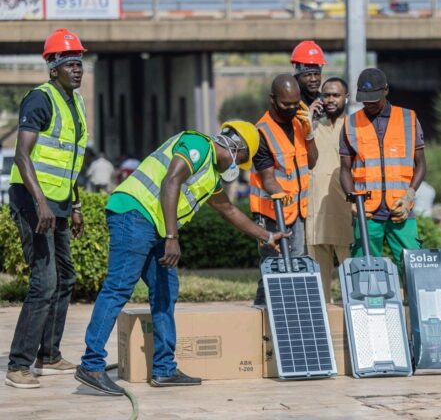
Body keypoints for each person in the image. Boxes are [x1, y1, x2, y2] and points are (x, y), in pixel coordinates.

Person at [76, 122, 288, 395]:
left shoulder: (211, 177)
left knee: (166, 290)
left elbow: (229, 211)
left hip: (156, 227)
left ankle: (164, 369)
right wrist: (173, 238)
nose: (238, 169)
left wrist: (266, 236)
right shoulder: (198, 145)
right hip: (133, 212)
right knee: (119, 287)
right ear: (237, 149)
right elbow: (171, 180)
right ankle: (91, 364)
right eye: (243, 161)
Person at [5, 29, 88, 389]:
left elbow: (69, 160)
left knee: (66, 277)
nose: (77, 69)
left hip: (60, 203)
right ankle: (18, 364)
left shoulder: (76, 103)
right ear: (53, 68)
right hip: (32, 201)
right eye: (69, 63)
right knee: (45, 280)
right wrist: (40, 202)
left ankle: (49, 354)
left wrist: (77, 204)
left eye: (79, 63)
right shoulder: (40, 99)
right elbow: (23, 156)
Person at [340, 68, 427, 273]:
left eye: (374, 99)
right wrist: (352, 199)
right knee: (364, 271)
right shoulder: (350, 123)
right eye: (364, 99)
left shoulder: (409, 119)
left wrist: (409, 196)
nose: (369, 104)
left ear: (386, 90)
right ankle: (371, 305)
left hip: (401, 210)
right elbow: (344, 169)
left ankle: (412, 305)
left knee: (413, 269)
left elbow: (421, 165)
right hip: (366, 212)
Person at [251, 75, 318, 305]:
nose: (291, 109)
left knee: (296, 264)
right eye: (285, 104)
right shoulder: (261, 132)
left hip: (297, 212)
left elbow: (312, 162)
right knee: (273, 268)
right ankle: (262, 317)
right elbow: (268, 178)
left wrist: (309, 134)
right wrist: (282, 200)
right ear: (272, 99)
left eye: (295, 104)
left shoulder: (300, 123)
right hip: (272, 213)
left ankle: (291, 315)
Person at [306, 78, 352, 302]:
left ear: (347, 98)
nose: (330, 99)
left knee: (352, 277)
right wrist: (307, 121)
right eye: (326, 95)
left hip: (347, 210)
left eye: (336, 95)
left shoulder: (355, 128)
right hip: (316, 213)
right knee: (318, 286)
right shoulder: (312, 127)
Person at [291, 40, 325, 111]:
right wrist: (308, 113)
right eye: (308, 75)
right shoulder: (290, 102)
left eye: (316, 74)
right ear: (297, 77)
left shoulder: (324, 101)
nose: (313, 79)